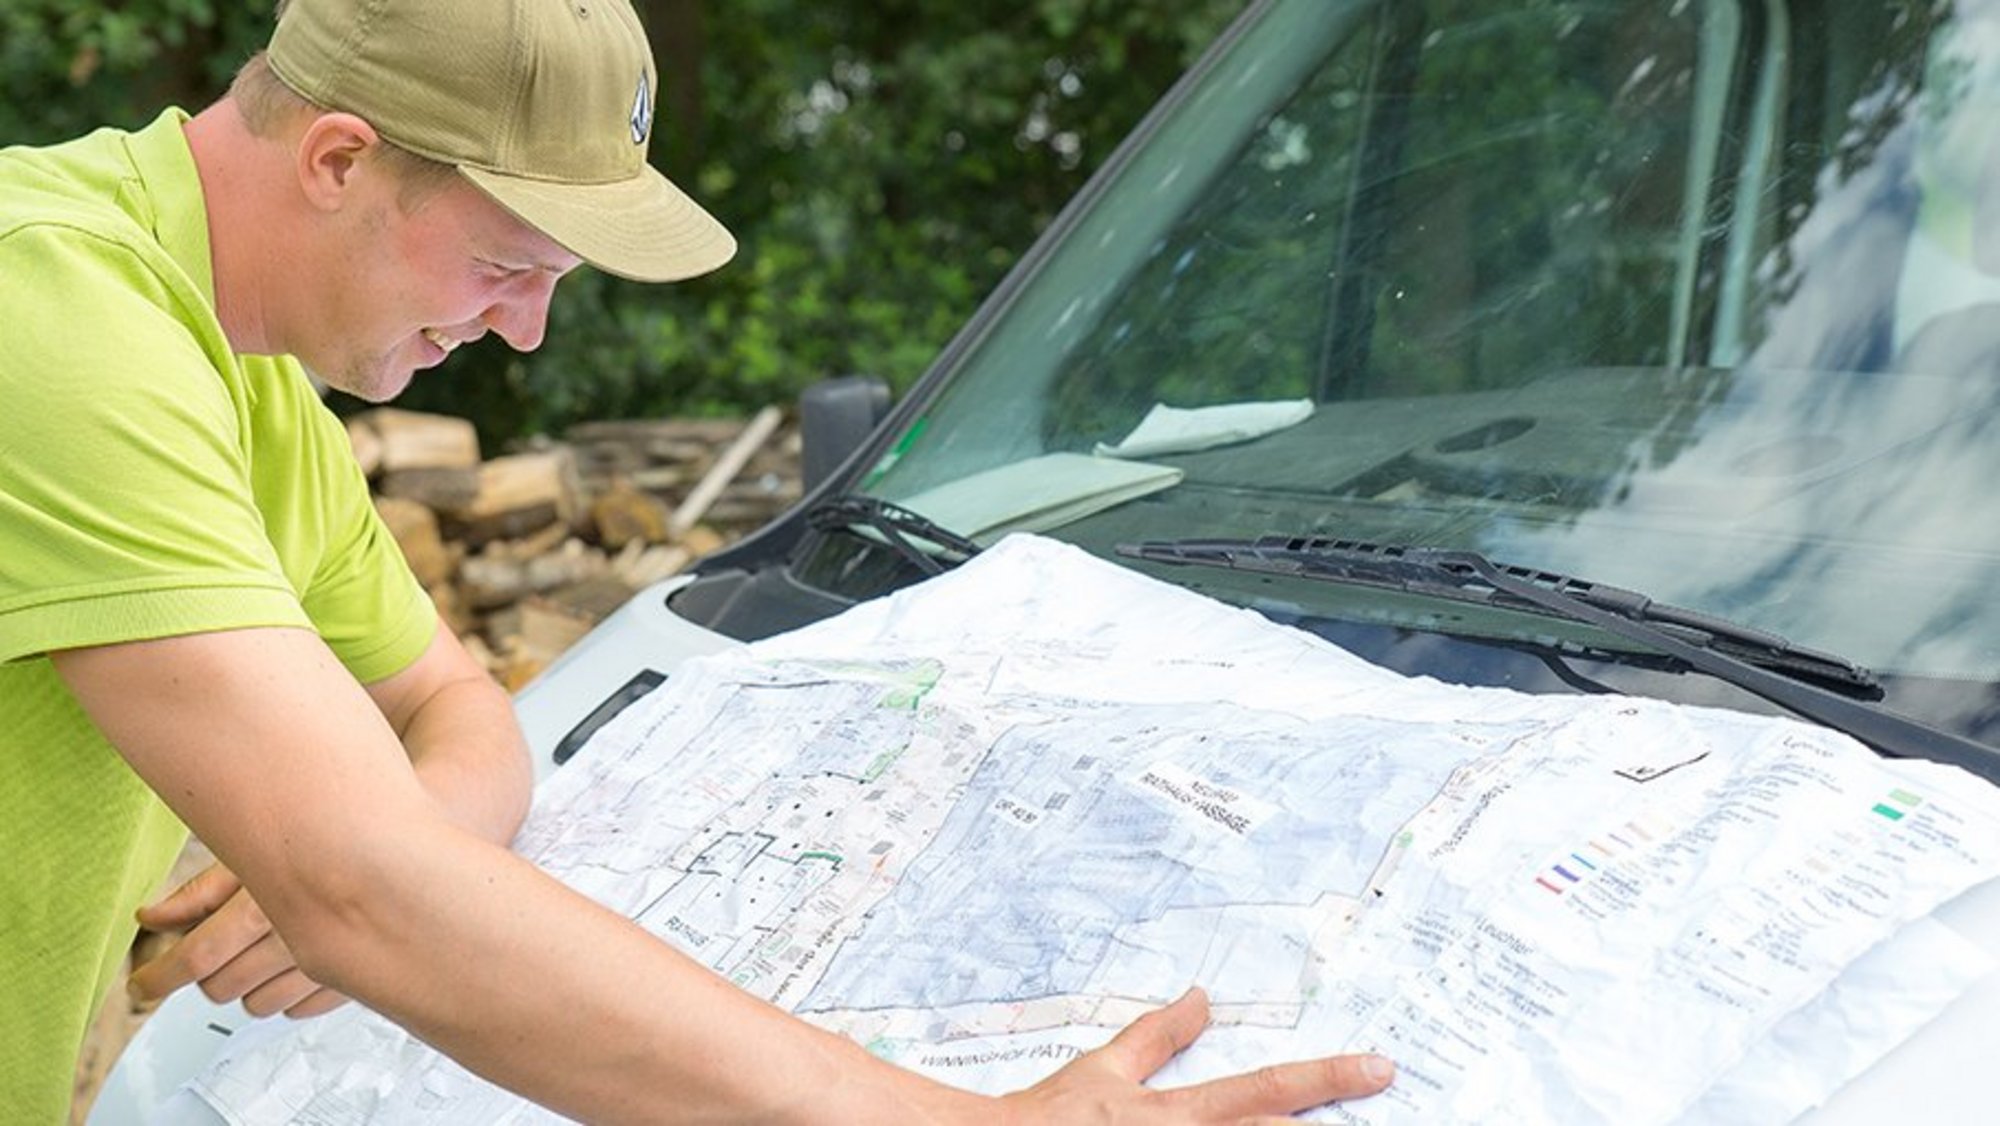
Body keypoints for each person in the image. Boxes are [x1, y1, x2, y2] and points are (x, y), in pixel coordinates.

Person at [0, 0, 1396, 1121]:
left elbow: (456, 708)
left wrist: (385, 849)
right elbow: (363, 888)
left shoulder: (235, 377)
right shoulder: (52, 315)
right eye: (508, 264)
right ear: (342, 160)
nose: (531, 333)